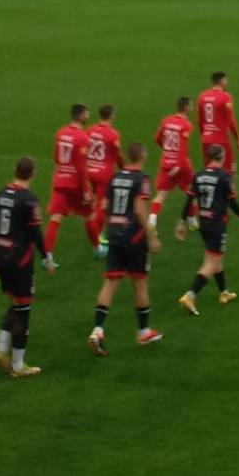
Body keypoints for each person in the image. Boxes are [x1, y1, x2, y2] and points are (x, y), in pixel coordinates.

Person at [88, 142, 163, 353]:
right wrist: (151, 235)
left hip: (115, 232)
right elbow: (139, 208)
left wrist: (110, 228)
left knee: (111, 281)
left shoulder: (115, 177)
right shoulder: (142, 179)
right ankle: (144, 332)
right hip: (133, 236)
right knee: (139, 282)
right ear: (143, 155)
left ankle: (97, 330)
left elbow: (104, 206)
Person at [0, 157, 51, 377]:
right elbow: (35, 233)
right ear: (33, 173)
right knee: (23, 311)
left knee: (15, 304)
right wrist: (47, 256)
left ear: (15, 170)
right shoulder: (29, 200)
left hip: (2, 257)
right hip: (20, 260)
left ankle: (0, 346)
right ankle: (17, 365)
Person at [176, 144, 239, 314]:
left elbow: (189, 199)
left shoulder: (199, 174)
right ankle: (190, 295)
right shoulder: (224, 176)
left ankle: (224, 292)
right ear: (222, 157)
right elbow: (231, 200)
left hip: (204, 223)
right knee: (211, 263)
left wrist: (182, 221)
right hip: (217, 224)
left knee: (215, 258)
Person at [44, 104, 98, 268]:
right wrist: (86, 191)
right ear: (80, 115)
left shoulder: (61, 133)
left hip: (60, 179)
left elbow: (56, 157)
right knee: (89, 214)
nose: (88, 116)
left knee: (56, 217)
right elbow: (82, 168)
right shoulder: (83, 138)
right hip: (75, 183)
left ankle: (48, 257)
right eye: (86, 114)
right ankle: (98, 248)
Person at [149, 97, 199, 234]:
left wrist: (167, 149)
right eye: (191, 106)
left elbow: (157, 138)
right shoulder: (187, 125)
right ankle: (192, 221)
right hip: (181, 164)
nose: (192, 108)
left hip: (166, 162)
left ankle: (152, 221)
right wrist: (178, 164)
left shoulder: (166, 121)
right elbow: (182, 147)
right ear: (186, 107)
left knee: (161, 194)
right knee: (192, 191)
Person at [87, 105, 124, 251]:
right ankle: (97, 236)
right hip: (104, 173)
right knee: (102, 205)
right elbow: (117, 155)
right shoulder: (113, 135)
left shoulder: (90, 130)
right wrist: (123, 168)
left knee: (94, 203)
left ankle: (95, 230)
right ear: (112, 115)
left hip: (89, 170)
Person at [197, 72, 239, 173]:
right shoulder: (225, 97)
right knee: (228, 171)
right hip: (221, 141)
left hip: (206, 140)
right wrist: (238, 139)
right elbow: (231, 121)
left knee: (209, 171)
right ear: (222, 81)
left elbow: (200, 121)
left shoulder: (202, 96)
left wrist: (204, 137)